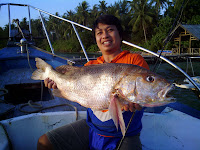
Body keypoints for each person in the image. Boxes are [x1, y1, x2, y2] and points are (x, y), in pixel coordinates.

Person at [37, 14, 149, 150]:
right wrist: (56, 84)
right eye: (99, 32)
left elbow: (144, 93)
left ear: (120, 35)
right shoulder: (89, 66)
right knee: (44, 142)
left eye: (110, 30)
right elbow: (76, 91)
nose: (105, 35)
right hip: (93, 129)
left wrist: (137, 103)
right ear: (96, 39)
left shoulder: (134, 61)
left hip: (125, 135)